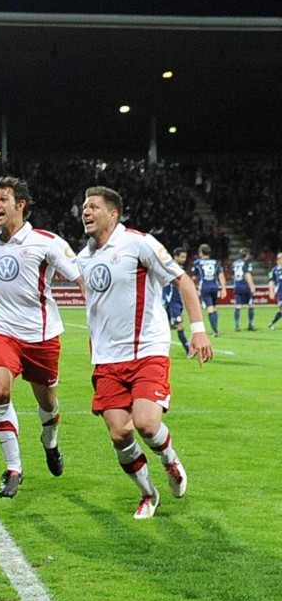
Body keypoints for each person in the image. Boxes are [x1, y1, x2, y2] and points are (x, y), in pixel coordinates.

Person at [76, 186, 213, 520]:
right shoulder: (83, 258)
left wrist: (198, 330)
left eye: (93, 206)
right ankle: (148, 494)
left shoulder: (139, 243)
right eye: (84, 207)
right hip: (107, 360)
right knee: (119, 434)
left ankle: (170, 460)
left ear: (113, 214)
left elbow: (183, 282)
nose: (86, 212)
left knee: (147, 425)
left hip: (147, 351)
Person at [0, 176, 85, 499]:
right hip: (2, 331)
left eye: (2, 200)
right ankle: (13, 469)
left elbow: (80, 277)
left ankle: (50, 443)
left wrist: (99, 310)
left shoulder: (47, 242)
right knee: (0, 391)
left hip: (41, 337)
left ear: (20, 205)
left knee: (47, 404)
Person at [191, 243, 226, 337]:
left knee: (210, 308)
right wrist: (223, 288)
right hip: (215, 287)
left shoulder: (197, 263)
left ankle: (215, 331)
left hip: (205, 287)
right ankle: (216, 328)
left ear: (201, 252)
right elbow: (221, 275)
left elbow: (193, 278)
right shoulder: (216, 262)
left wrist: (196, 288)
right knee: (214, 307)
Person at [161, 248, 192, 356]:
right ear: (175, 256)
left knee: (166, 328)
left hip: (178, 302)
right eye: (182, 257)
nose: (184, 259)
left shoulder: (180, 268)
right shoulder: (169, 268)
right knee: (180, 326)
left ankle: (162, 350)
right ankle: (188, 350)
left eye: (185, 257)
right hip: (172, 303)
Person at [231, 248, 256, 331]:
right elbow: (247, 274)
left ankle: (237, 325)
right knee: (251, 305)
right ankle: (250, 324)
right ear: (247, 255)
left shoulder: (234, 263)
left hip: (237, 286)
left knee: (238, 306)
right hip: (246, 286)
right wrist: (252, 285)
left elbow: (232, 276)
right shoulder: (247, 263)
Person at [268, 252, 282, 330]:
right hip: (280, 292)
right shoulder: (274, 270)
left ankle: (272, 323)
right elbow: (271, 281)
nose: (279, 260)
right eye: (278, 258)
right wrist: (271, 292)